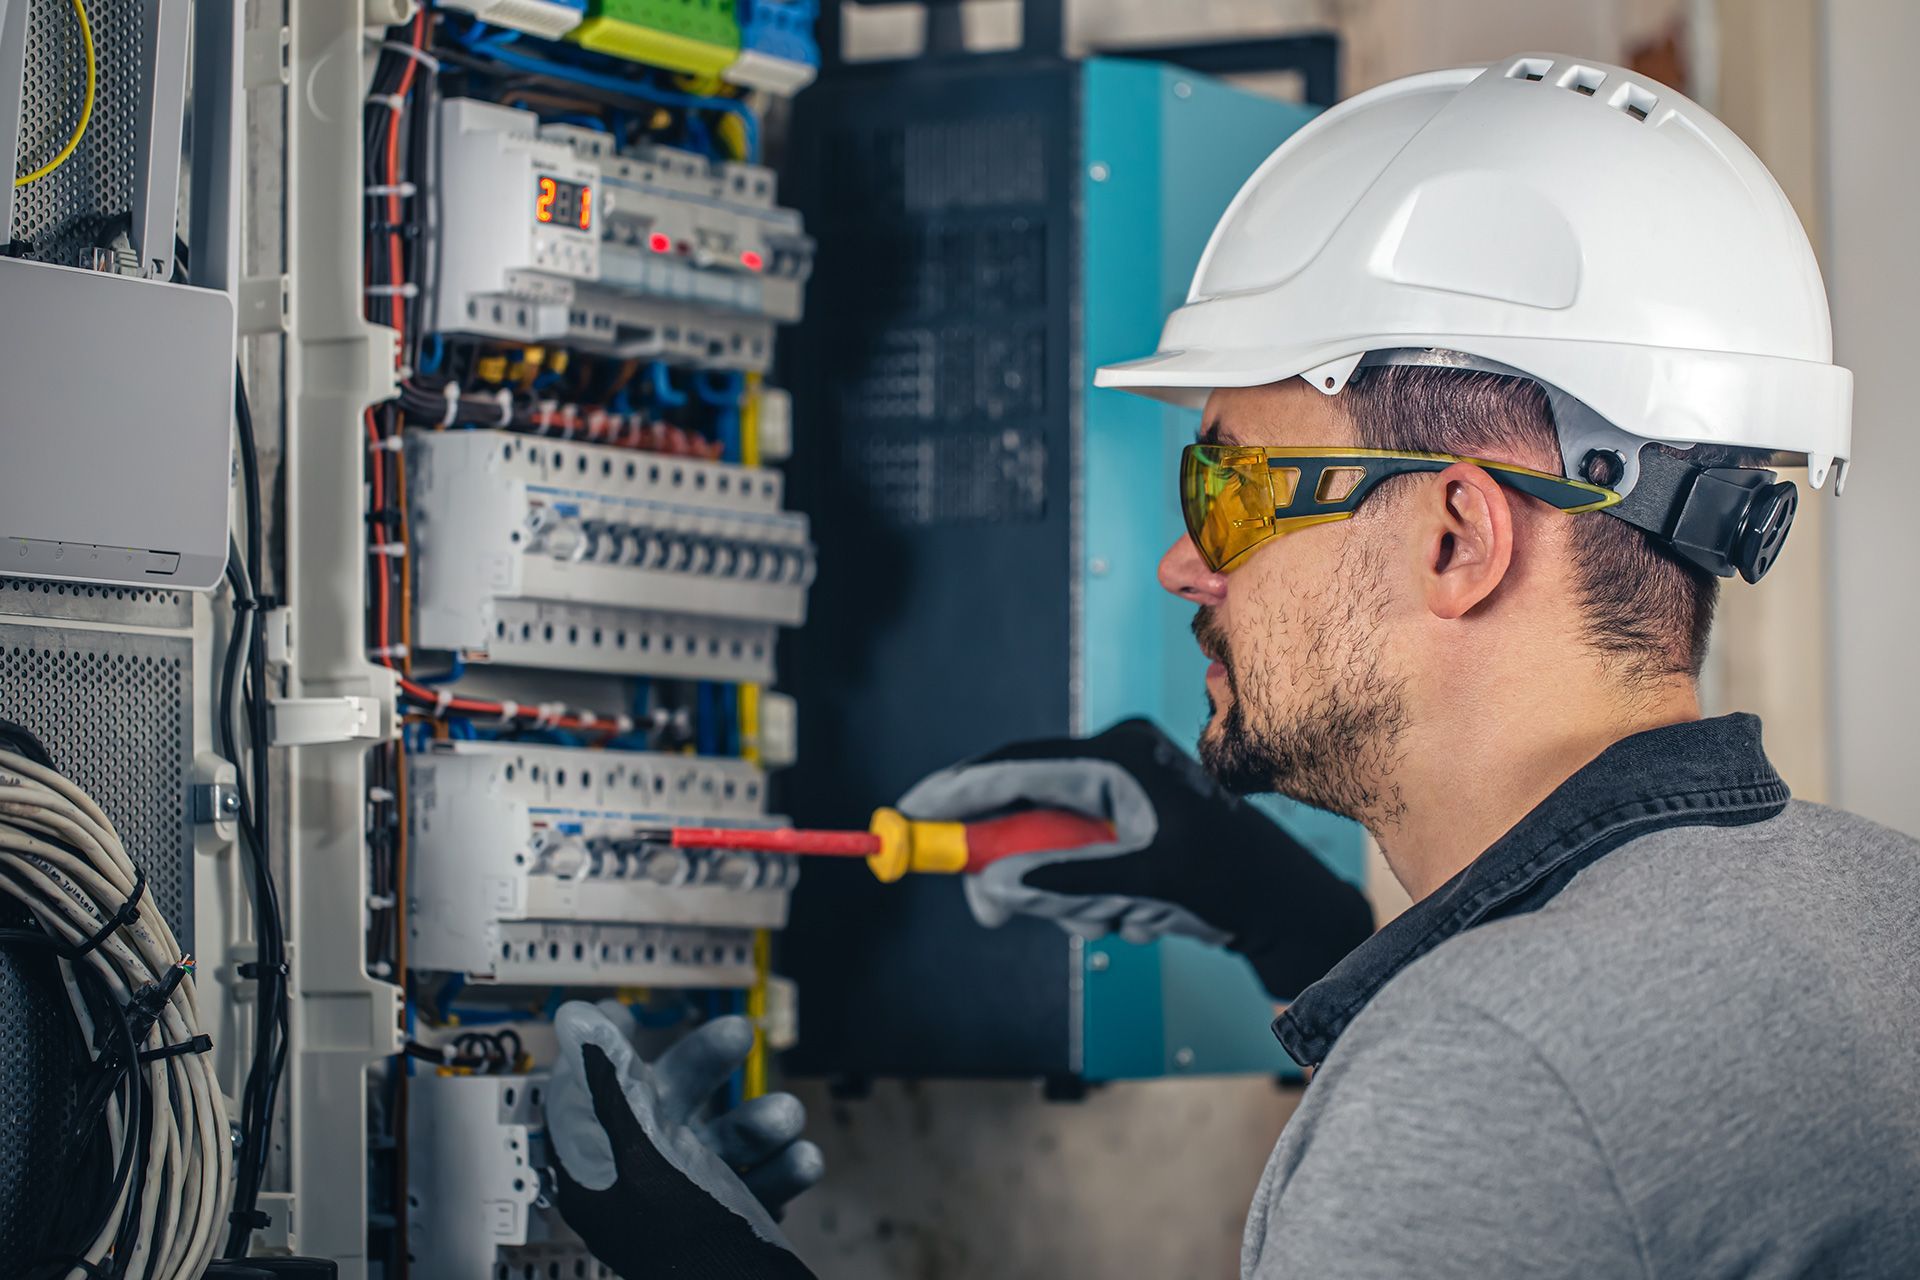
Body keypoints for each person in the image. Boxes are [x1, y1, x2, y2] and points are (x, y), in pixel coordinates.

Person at [541, 53, 1920, 1278]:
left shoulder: (1489, 1073)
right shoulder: (1879, 907)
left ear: (1456, 537)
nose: (1184, 566)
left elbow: (1540, 1100)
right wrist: (1300, 934)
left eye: (1229, 492)